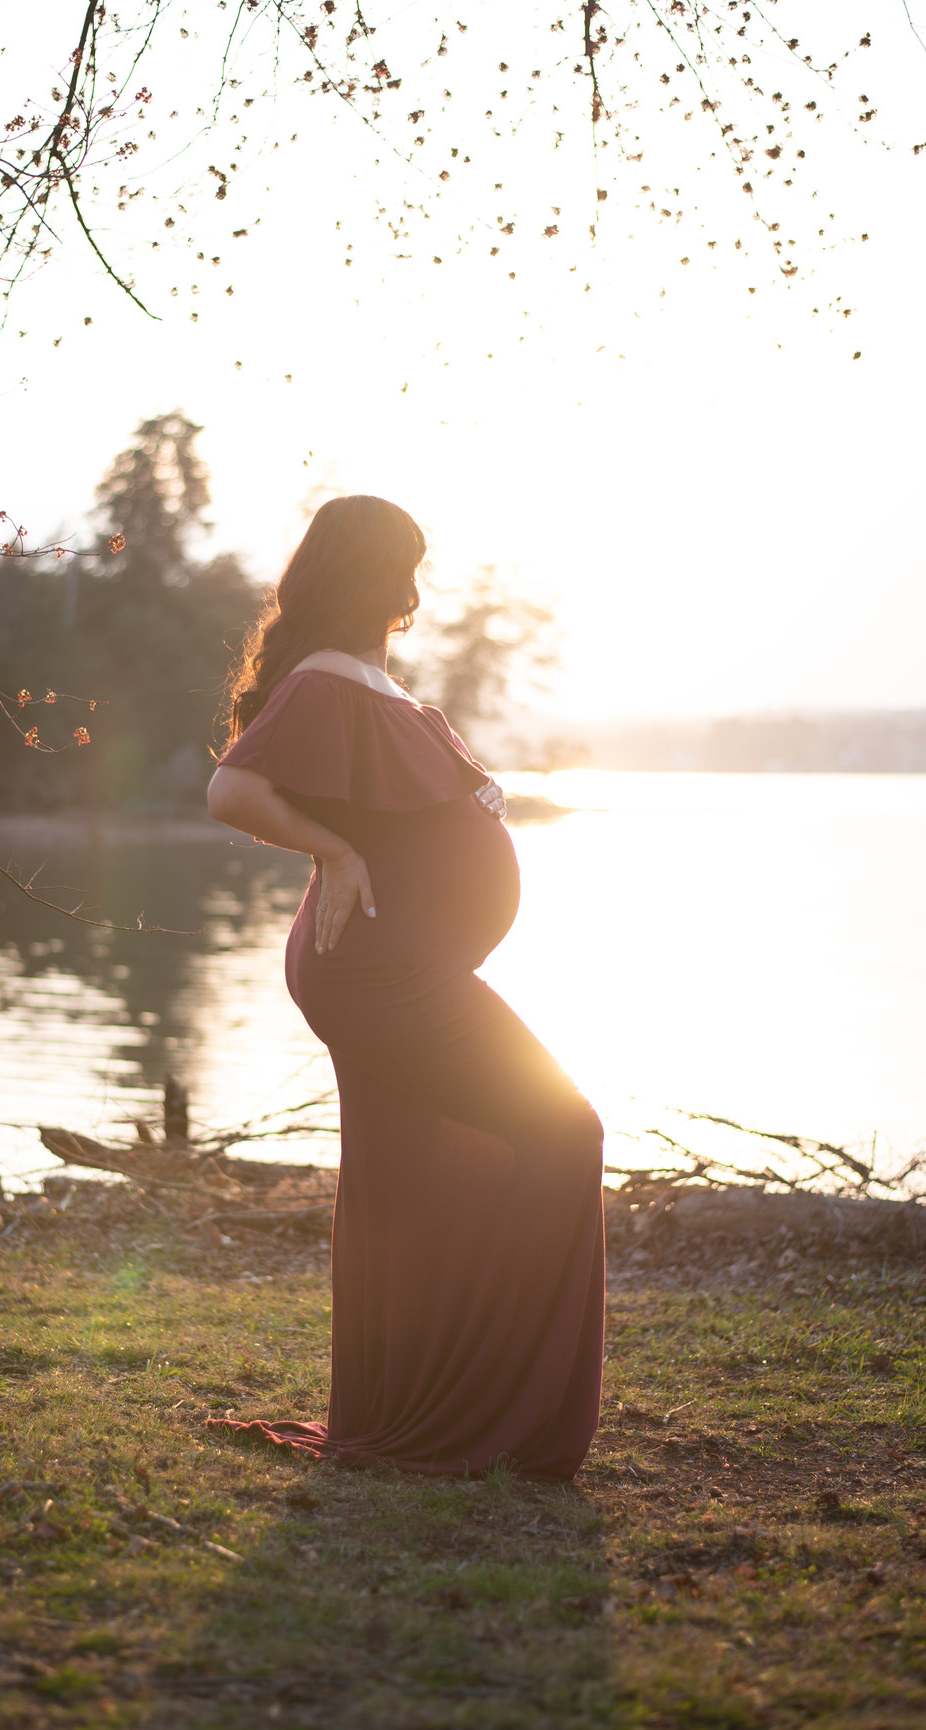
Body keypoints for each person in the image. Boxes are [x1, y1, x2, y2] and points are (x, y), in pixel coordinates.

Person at [206, 495, 605, 1480]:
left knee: (413, 1180)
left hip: (407, 971)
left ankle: (420, 1404)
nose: (414, 586)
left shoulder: (372, 683)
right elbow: (229, 788)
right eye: (404, 563)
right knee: (565, 1130)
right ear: (367, 571)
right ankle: (486, 1405)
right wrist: (333, 846)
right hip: (381, 975)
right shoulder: (325, 681)